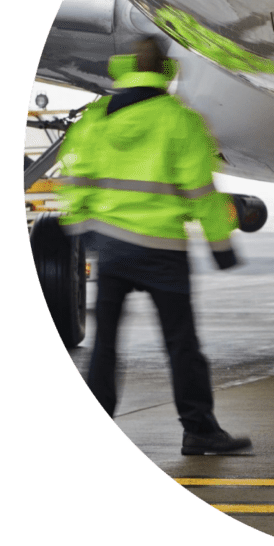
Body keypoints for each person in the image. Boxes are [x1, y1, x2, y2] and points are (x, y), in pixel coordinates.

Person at [57, 38, 252, 455]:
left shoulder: (96, 119)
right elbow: (201, 190)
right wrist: (221, 246)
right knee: (182, 344)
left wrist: (80, 229)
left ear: (125, 67)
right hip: (162, 250)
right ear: (167, 70)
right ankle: (199, 430)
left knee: (105, 343)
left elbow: (75, 178)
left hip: (112, 245)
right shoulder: (180, 120)